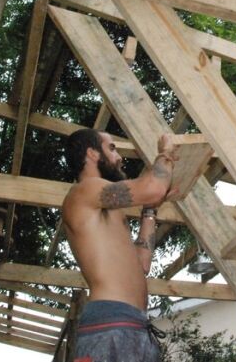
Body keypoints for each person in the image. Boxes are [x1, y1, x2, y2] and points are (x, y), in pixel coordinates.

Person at [63, 128, 179, 361]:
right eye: (112, 148)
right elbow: (153, 188)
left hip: (134, 324)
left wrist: (149, 210)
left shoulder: (110, 210)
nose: (119, 157)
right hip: (109, 324)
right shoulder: (84, 191)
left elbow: (142, 264)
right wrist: (165, 153)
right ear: (92, 153)